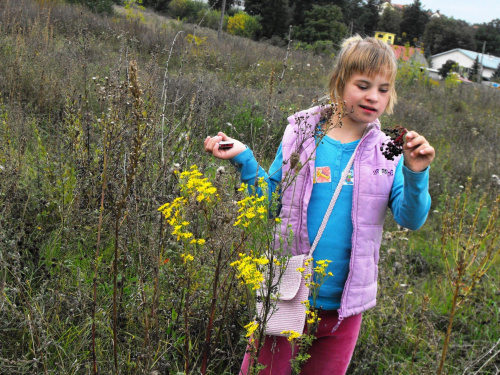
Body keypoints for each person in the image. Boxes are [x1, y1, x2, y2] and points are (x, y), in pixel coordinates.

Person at [204, 35, 435, 375]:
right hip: (286, 295)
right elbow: (269, 204)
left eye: (384, 89)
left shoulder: (388, 151)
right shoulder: (301, 134)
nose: (373, 96)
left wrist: (417, 172)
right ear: (340, 82)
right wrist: (246, 161)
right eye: (363, 85)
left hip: (344, 309)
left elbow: (411, 219)